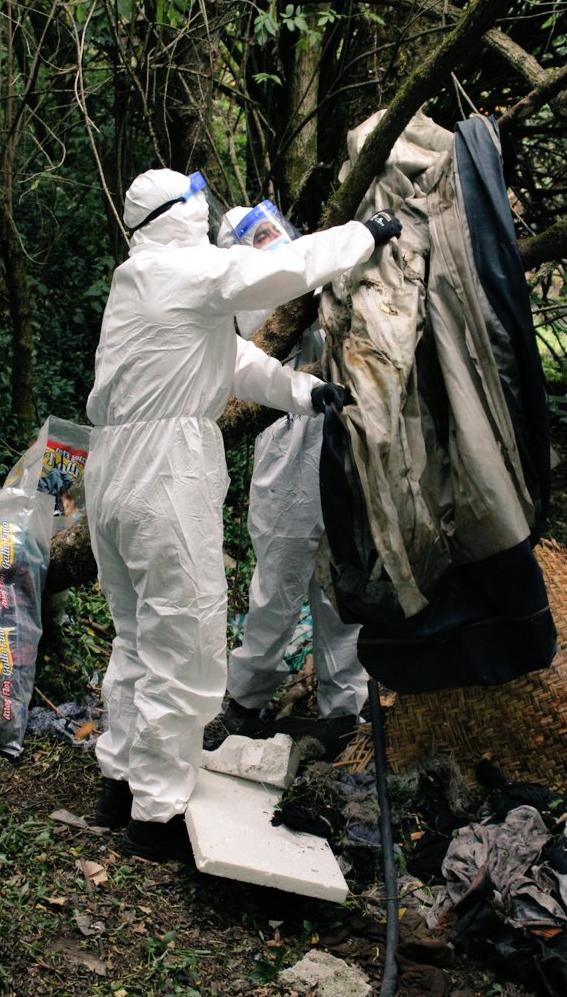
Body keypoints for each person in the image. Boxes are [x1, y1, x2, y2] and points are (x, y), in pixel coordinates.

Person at [84, 167, 401, 862]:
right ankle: (157, 815)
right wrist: (363, 236)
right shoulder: (187, 268)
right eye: (196, 198)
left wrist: (303, 391)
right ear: (179, 212)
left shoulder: (141, 282)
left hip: (110, 467)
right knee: (185, 639)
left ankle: (119, 782)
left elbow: (229, 360)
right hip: (163, 466)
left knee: (137, 636)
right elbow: (282, 268)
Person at [212, 202, 370, 756]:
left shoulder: (322, 279)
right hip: (285, 448)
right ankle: (246, 700)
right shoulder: (250, 300)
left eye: (271, 231)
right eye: (255, 238)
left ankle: (343, 709)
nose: (269, 242)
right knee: (277, 586)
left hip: (342, 442)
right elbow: (271, 326)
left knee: (339, 588)